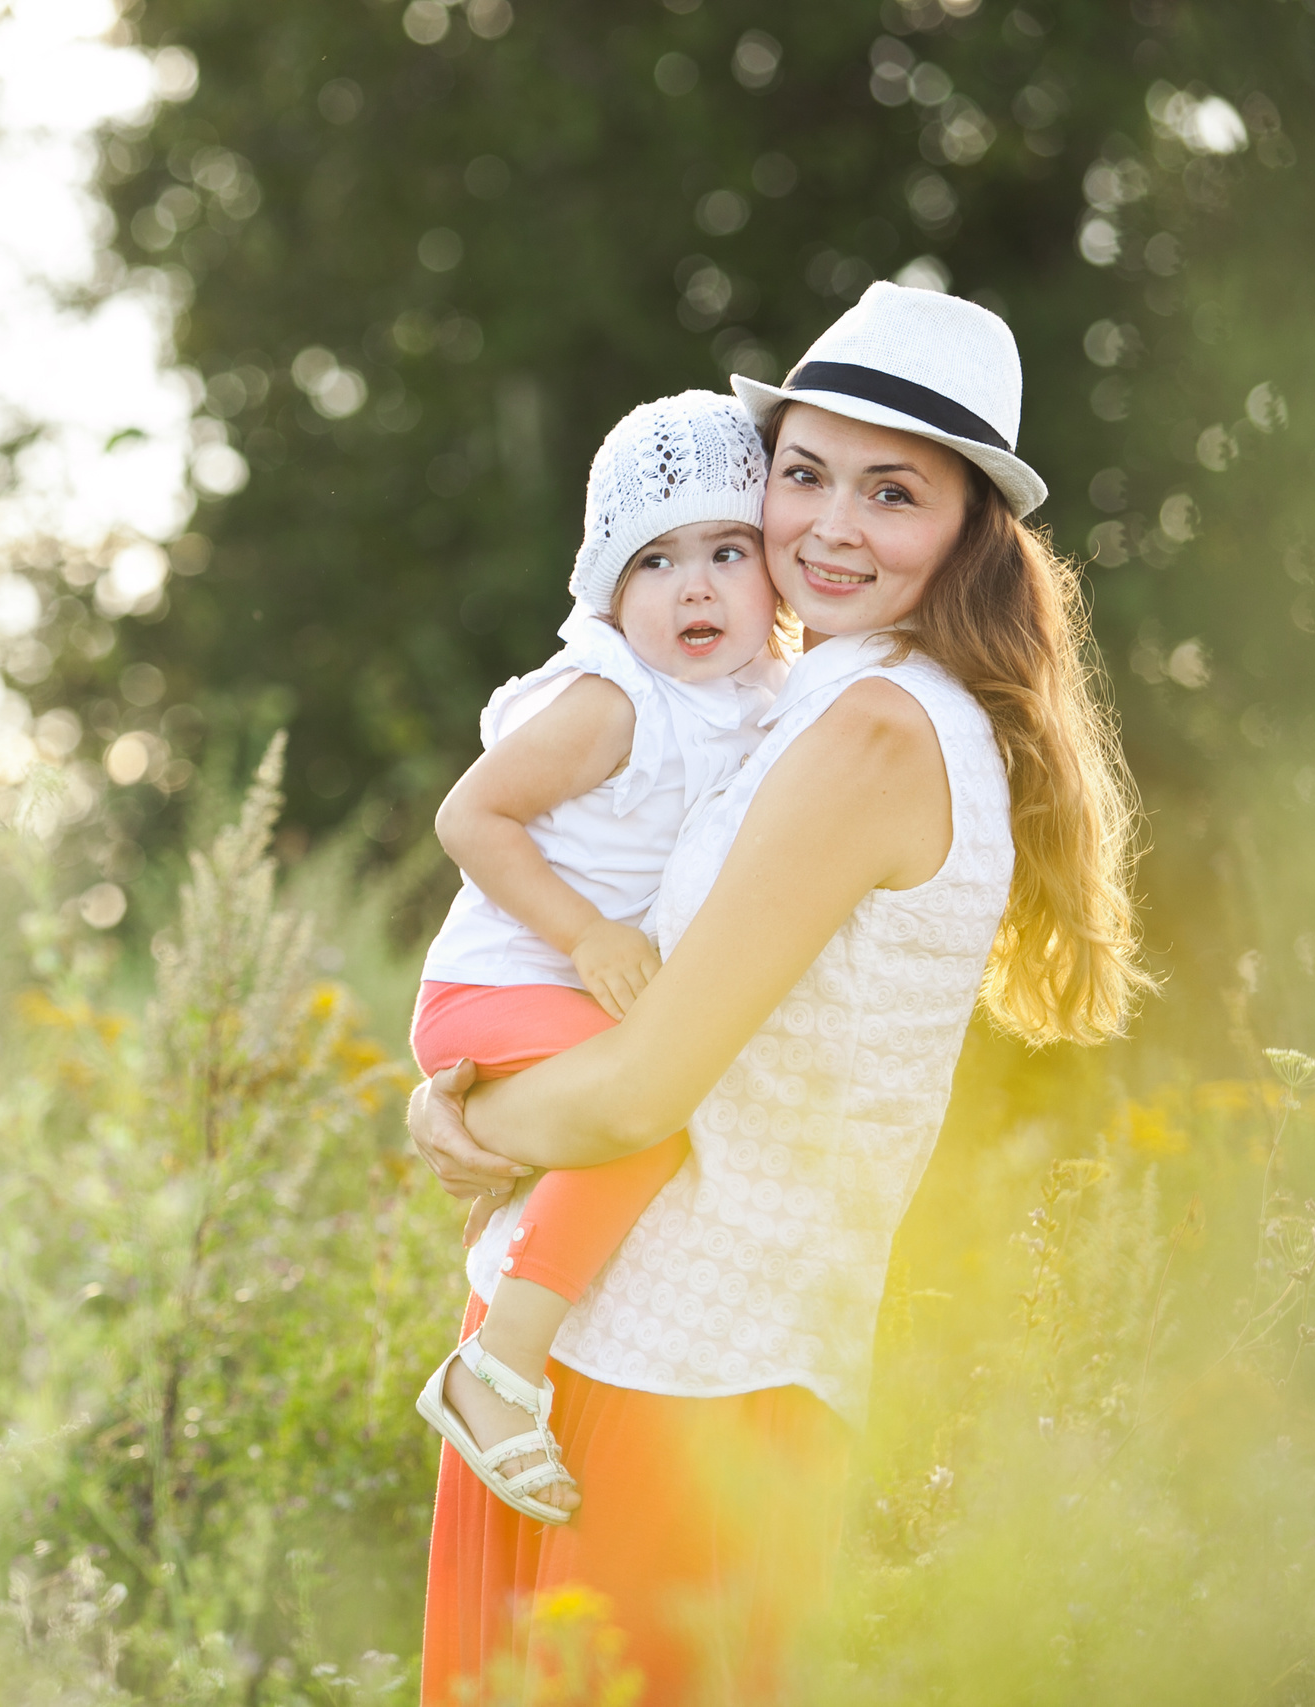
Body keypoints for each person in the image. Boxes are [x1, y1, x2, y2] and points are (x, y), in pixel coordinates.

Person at [408, 282, 1152, 1703]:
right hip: (594, 1347)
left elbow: (642, 1089)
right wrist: (472, 1086)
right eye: (804, 474)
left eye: (894, 492)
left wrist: (468, 1117)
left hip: (684, 1378)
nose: (830, 524)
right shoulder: (801, 694)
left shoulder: (876, 730)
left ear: (970, 532)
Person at [409, 390, 789, 1525]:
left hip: (572, 994)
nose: (697, 587)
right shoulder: (613, 702)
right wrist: (588, 934)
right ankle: (490, 1373)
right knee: (646, 1112)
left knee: (640, 1100)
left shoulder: (759, 696)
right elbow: (469, 819)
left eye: (729, 550)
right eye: (657, 561)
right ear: (610, 592)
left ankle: (518, 1255)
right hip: (498, 984)